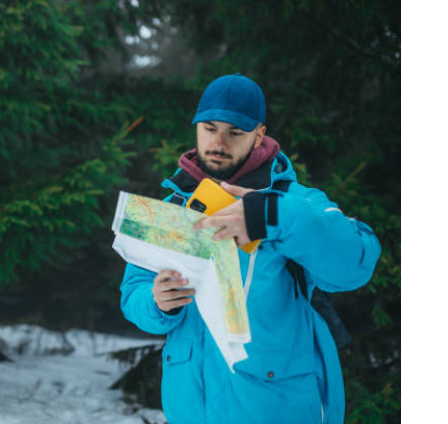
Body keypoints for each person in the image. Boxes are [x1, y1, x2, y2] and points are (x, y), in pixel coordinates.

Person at [118, 73, 381, 423]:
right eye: (210, 128)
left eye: (235, 132)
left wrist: (272, 215)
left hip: (276, 408)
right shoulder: (171, 207)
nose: (219, 141)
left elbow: (356, 264)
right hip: (193, 412)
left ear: (260, 134)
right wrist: (156, 302)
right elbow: (132, 292)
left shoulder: (293, 203)